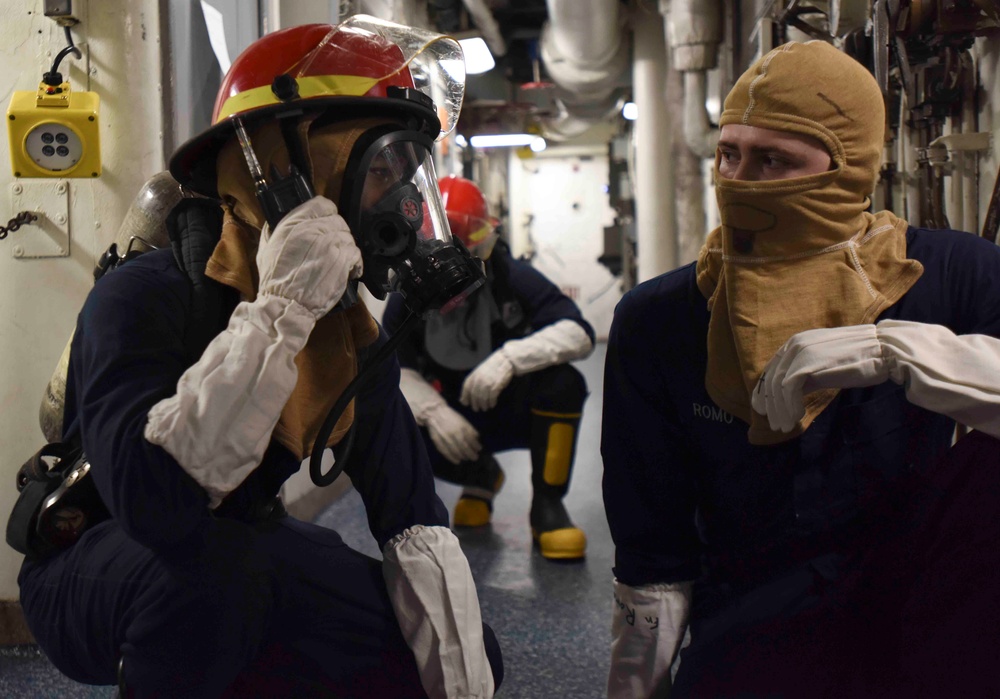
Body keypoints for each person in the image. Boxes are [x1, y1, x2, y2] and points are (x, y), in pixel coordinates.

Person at [15, 18, 503, 698]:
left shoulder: (349, 336)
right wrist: (282, 309)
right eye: (382, 165)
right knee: (218, 577)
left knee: (461, 647)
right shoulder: (143, 296)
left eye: (407, 168)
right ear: (290, 167)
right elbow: (156, 508)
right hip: (91, 561)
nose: (405, 201)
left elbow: (412, 519)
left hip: (235, 550)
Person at [602, 39, 1000, 697]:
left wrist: (894, 350)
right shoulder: (662, 318)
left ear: (850, 169)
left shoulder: (948, 274)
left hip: (930, 617)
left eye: (773, 160)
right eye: (729, 153)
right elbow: (653, 552)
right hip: (754, 622)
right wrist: (633, 685)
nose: (739, 181)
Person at [383, 175, 596, 561]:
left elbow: (578, 331)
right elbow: (389, 365)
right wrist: (433, 412)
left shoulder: (512, 277)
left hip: (508, 404)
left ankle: (548, 506)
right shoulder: (407, 294)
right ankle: (479, 479)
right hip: (453, 415)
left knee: (564, 383)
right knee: (390, 417)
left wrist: (510, 359)